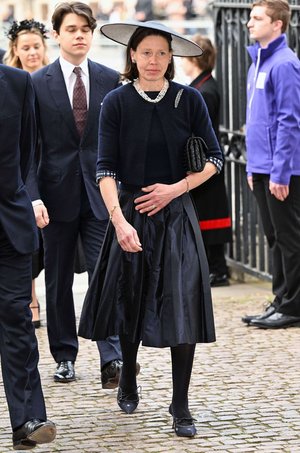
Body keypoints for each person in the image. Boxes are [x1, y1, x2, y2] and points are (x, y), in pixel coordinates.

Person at [79, 20, 223, 437]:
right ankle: (127, 377)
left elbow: (214, 159)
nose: (154, 60)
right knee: (130, 300)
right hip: (131, 215)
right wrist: (119, 221)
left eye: (162, 53)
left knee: (184, 306)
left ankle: (180, 404)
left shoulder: (190, 99)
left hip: (177, 216)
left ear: (171, 58)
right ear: (133, 56)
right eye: (146, 53)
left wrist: (177, 188)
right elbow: (104, 169)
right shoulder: (116, 102)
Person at [26, 1, 124, 387]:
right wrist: (33, 197)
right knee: (58, 280)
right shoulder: (36, 84)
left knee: (105, 275)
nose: (80, 34)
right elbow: (29, 148)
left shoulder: (109, 78)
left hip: (101, 194)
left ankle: (111, 355)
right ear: (57, 35)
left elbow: (119, 142)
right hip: (54, 197)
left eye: (85, 28)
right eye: (72, 29)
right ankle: (64, 355)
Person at [0, 63, 56, 450]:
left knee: (17, 321)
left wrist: (19, 198)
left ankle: (28, 419)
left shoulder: (17, 83)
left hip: (10, 224)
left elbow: (27, 151)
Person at [242, 0, 300, 329]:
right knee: (274, 238)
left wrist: (280, 171)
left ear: (277, 24)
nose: (250, 23)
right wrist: (253, 167)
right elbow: (257, 121)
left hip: (283, 169)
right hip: (262, 167)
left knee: (290, 239)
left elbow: (290, 121)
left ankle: (293, 305)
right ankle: (280, 300)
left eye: (257, 18)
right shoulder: (257, 64)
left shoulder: (285, 64)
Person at [4, 19, 50, 329]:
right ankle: (30, 300)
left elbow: (34, 142)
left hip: (45, 177)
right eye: (26, 48)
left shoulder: (41, 81)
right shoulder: (15, 82)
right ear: (15, 50)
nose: (32, 52)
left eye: (36, 46)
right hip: (22, 183)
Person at [182, 35, 232, 287]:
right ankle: (213, 268)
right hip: (202, 163)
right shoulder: (200, 86)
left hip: (205, 164)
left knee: (210, 217)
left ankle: (218, 269)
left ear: (194, 58)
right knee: (205, 216)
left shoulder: (205, 89)